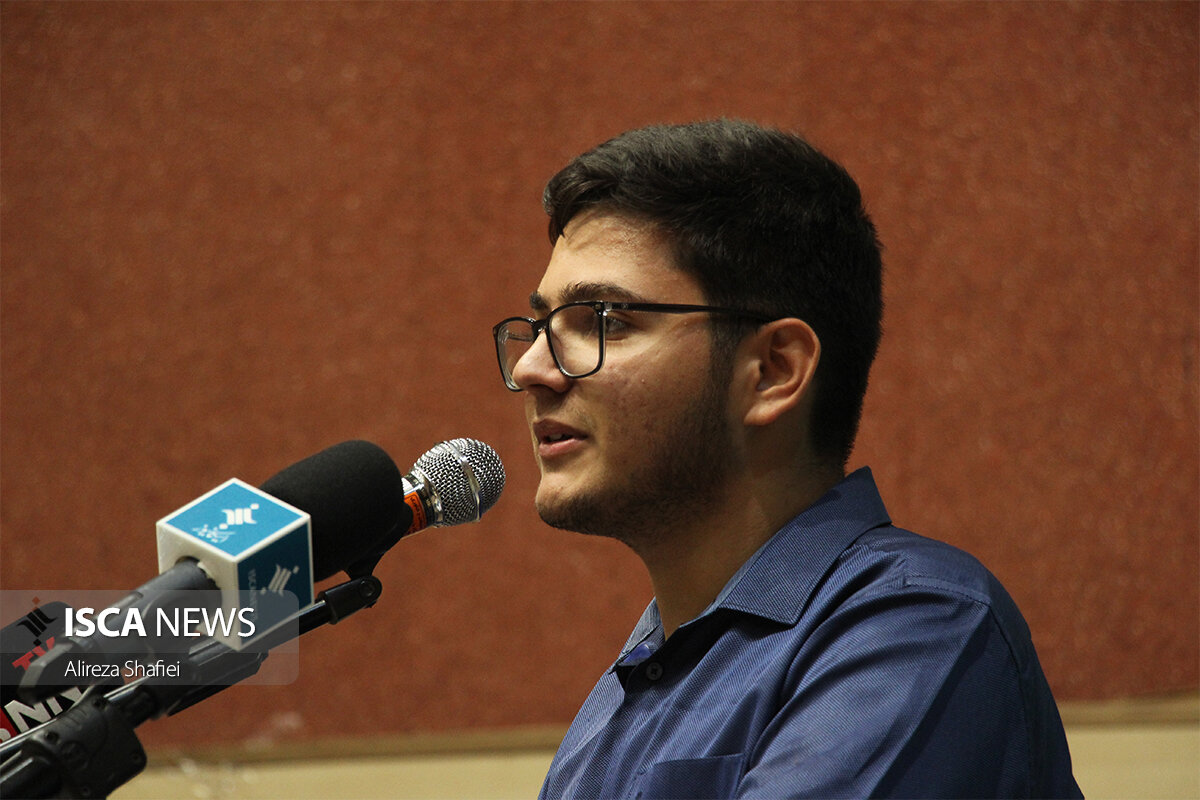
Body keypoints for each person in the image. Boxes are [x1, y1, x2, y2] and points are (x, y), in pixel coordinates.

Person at [492, 120, 1081, 799]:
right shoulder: (619, 701)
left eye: (603, 320)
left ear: (773, 371)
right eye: (540, 325)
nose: (532, 369)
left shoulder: (914, 628)